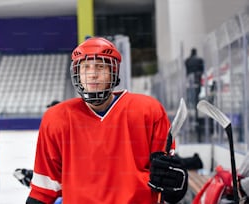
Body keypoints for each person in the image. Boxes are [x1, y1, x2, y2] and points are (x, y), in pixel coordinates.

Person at [26, 37, 188, 204]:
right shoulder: (56, 119)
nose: (93, 74)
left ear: (114, 72)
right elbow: (44, 191)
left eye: (100, 66)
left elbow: (166, 185)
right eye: (85, 67)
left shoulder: (149, 111)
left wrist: (175, 184)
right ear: (77, 74)